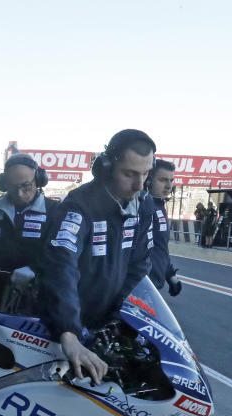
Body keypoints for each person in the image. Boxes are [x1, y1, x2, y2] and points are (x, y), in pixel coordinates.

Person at [37, 129, 157, 384]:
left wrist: (119, 316)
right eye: (129, 174)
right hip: (65, 325)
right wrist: (68, 332)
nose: (139, 185)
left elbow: (139, 265)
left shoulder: (143, 206)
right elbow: (61, 265)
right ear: (105, 167)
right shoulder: (79, 205)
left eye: (146, 174)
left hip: (106, 327)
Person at [0, 153, 60, 272]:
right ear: (4, 184)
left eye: (26, 186)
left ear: (39, 180)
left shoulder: (54, 210)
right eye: (12, 187)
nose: (19, 194)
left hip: (35, 284)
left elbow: (58, 254)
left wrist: (35, 269)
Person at [141, 159, 182, 296]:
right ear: (148, 180)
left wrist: (170, 275)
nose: (169, 186)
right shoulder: (140, 207)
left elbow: (160, 246)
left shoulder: (159, 206)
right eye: (163, 180)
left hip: (153, 285)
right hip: (139, 284)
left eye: (171, 180)